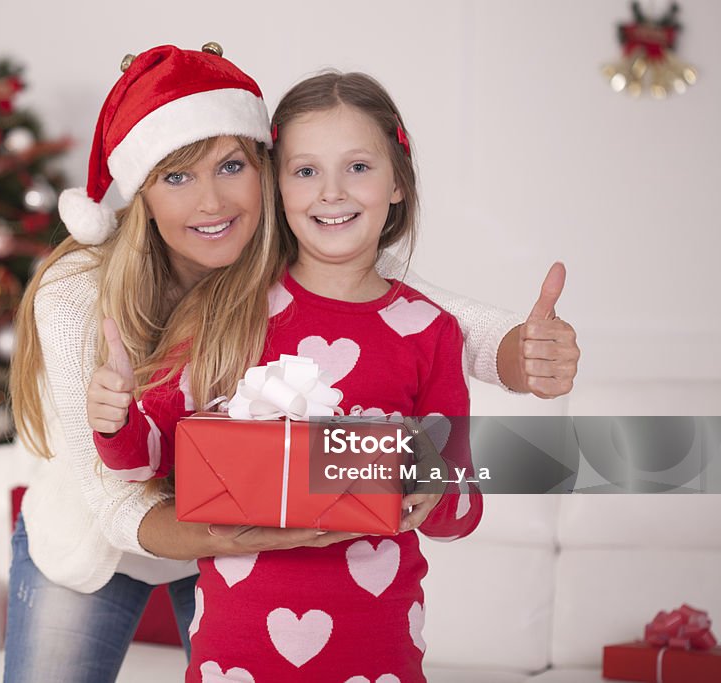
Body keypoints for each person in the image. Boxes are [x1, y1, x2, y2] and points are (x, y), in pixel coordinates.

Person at [7, 44, 579, 682]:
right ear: (140, 194)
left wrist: (525, 355)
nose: (212, 202)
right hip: (115, 539)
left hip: (246, 545)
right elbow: (116, 493)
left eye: (230, 167)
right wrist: (127, 429)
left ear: (265, 172)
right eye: (176, 177)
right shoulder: (75, 295)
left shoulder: (297, 247)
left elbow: (426, 317)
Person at [90, 70, 485, 681]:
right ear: (277, 188)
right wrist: (114, 415)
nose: (331, 192)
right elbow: (147, 458)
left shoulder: (430, 333)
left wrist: (434, 485)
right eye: (305, 171)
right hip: (236, 659)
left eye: (358, 167)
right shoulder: (224, 310)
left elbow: (458, 510)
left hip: (378, 659)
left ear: (398, 184)